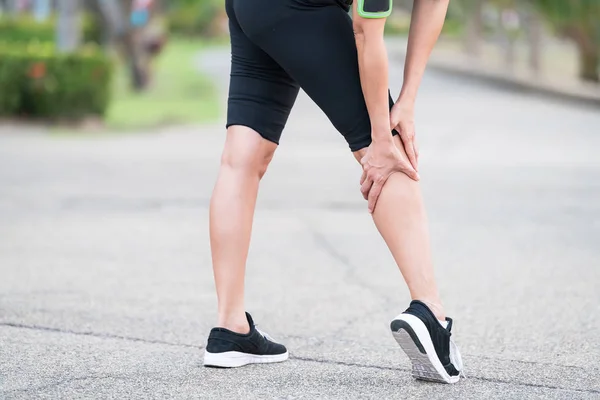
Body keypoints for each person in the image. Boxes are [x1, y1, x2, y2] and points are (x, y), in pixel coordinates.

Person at [203, 0, 464, 384]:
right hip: (298, 8)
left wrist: (407, 100)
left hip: (250, 8)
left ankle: (231, 329)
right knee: (389, 150)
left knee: (242, 156)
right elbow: (365, 31)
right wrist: (379, 137)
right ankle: (430, 311)